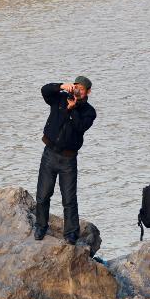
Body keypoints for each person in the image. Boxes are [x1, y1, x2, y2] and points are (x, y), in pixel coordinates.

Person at [34, 77, 96, 244]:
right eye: (76, 87)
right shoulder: (60, 98)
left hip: (68, 159)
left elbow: (80, 127)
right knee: (43, 195)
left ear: (88, 92)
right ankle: (40, 226)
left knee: (69, 199)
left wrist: (73, 109)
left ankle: (71, 234)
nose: (77, 91)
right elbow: (44, 90)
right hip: (49, 154)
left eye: (81, 89)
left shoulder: (89, 112)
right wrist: (61, 86)